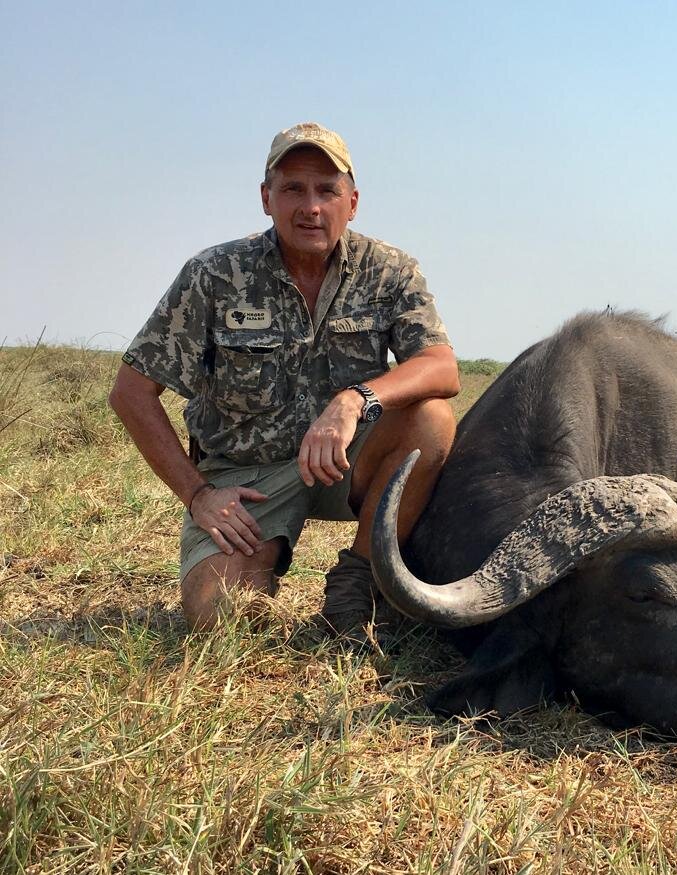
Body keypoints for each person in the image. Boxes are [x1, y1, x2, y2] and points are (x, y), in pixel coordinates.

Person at [109, 122, 459, 634]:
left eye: (327, 190)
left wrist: (353, 400)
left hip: (346, 461)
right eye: (292, 188)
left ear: (353, 201)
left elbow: (441, 366)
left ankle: (356, 585)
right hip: (247, 478)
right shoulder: (215, 273)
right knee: (218, 616)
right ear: (265, 198)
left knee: (431, 419)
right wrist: (199, 494)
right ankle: (262, 557)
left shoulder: (390, 270)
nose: (310, 207)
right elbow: (131, 393)